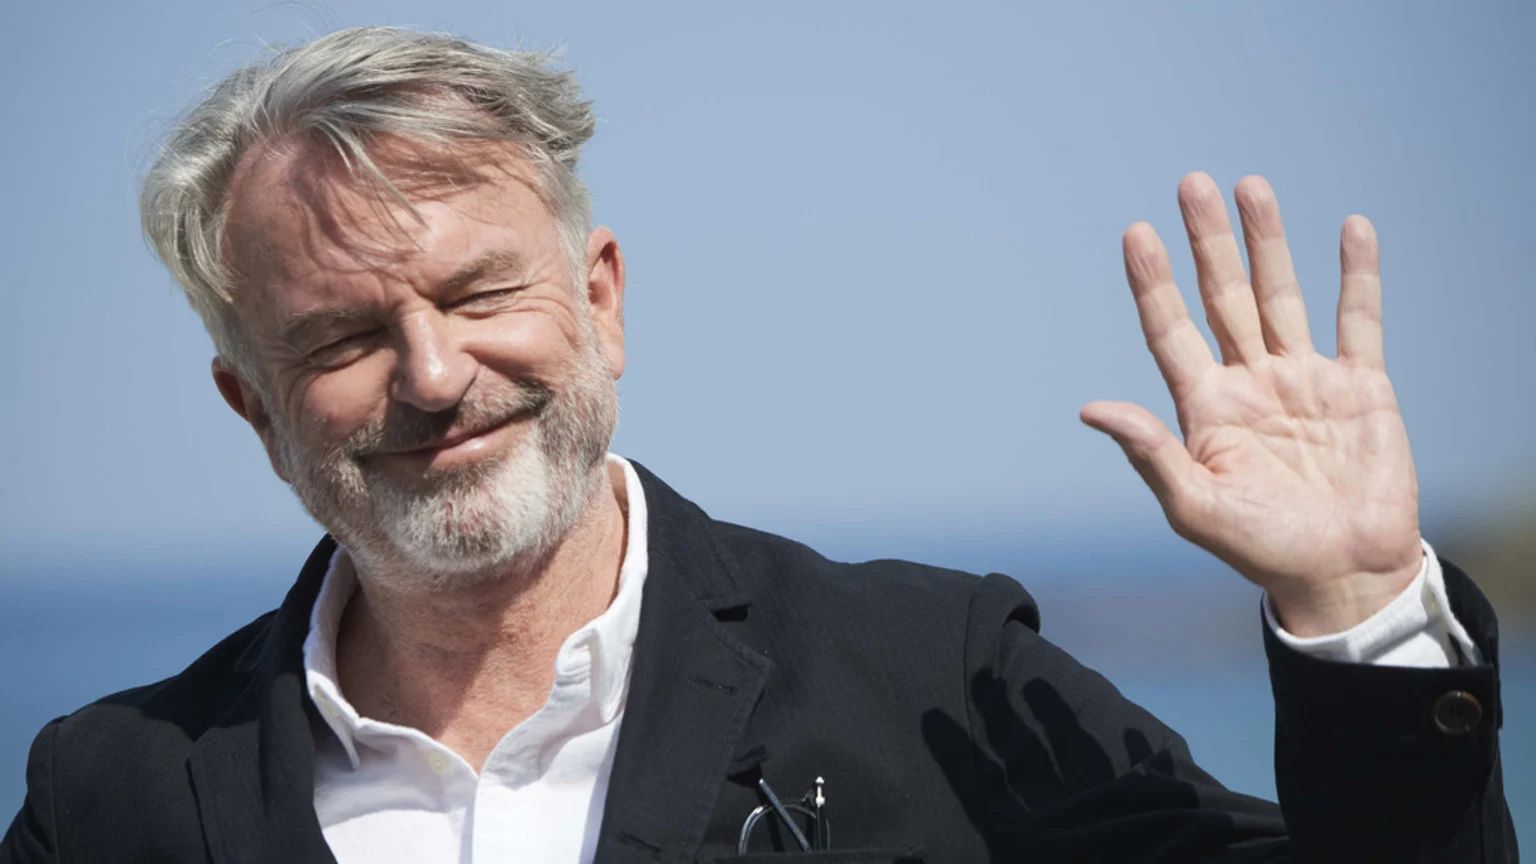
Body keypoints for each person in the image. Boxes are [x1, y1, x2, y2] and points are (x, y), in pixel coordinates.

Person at [0, 25, 1514, 864]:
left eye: (477, 291)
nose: (433, 372)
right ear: (252, 408)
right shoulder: (112, 795)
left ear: (600, 297)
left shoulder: (938, 678)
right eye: (339, 339)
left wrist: (1360, 615)